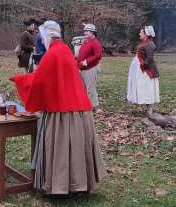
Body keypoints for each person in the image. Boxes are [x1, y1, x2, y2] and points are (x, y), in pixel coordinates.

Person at [10, 20, 107, 195]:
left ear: (48, 36)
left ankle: (61, 186)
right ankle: (79, 184)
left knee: (62, 147)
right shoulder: (65, 50)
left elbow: (40, 82)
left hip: (61, 112)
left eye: (42, 36)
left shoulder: (53, 53)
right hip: (80, 110)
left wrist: (20, 80)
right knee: (77, 147)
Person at [127, 25, 160, 116]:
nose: (139, 33)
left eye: (141, 32)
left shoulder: (150, 44)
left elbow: (149, 58)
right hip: (142, 70)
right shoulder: (145, 42)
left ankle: (150, 111)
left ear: (146, 34)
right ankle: (147, 110)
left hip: (146, 71)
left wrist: (142, 65)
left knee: (148, 89)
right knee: (144, 88)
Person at [76, 24, 103, 110]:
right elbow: (81, 54)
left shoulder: (95, 42)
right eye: (85, 31)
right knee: (84, 88)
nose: (85, 33)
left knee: (90, 88)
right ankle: (90, 105)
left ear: (92, 32)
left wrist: (86, 61)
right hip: (82, 68)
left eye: (87, 31)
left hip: (90, 68)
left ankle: (91, 107)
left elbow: (98, 55)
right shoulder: (86, 41)